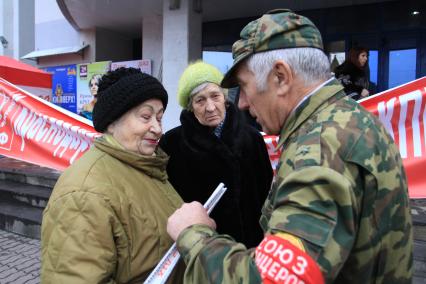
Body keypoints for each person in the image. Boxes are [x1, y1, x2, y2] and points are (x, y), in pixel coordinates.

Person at [167, 9, 413, 284]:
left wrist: (193, 233)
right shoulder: (353, 120)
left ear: (281, 77)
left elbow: (273, 280)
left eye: (245, 87)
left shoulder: (320, 151)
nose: (243, 104)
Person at [41, 67, 185, 283]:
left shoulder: (148, 167)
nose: (157, 128)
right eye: (146, 117)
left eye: (159, 117)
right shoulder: (84, 193)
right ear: (111, 122)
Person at [159, 61, 272, 248]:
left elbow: (266, 194)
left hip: (251, 247)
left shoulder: (251, 138)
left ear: (225, 99)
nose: (210, 107)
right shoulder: (172, 144)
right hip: (198, 248)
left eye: (215, 96)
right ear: (190, 106)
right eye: (200, 100)